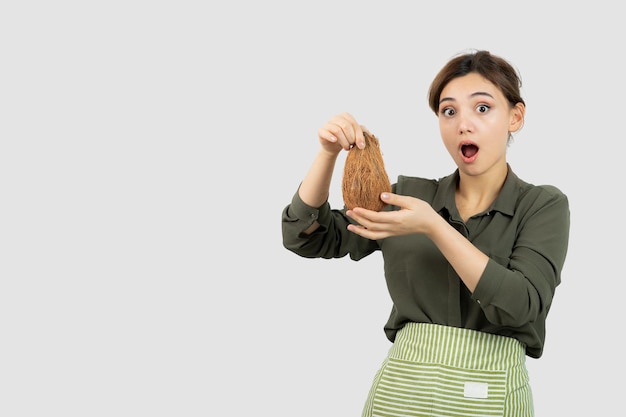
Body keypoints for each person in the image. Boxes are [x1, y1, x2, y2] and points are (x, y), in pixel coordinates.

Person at [281, 49, 570, 417]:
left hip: (490, 397)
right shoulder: (409, 196)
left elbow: (522, 305)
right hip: (399, 395)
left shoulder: (542, 205)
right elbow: (307, 236)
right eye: (449, 111)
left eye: (482, 108)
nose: (463, 124)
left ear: (515, 116)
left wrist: (435, 227)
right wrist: (326, 154)